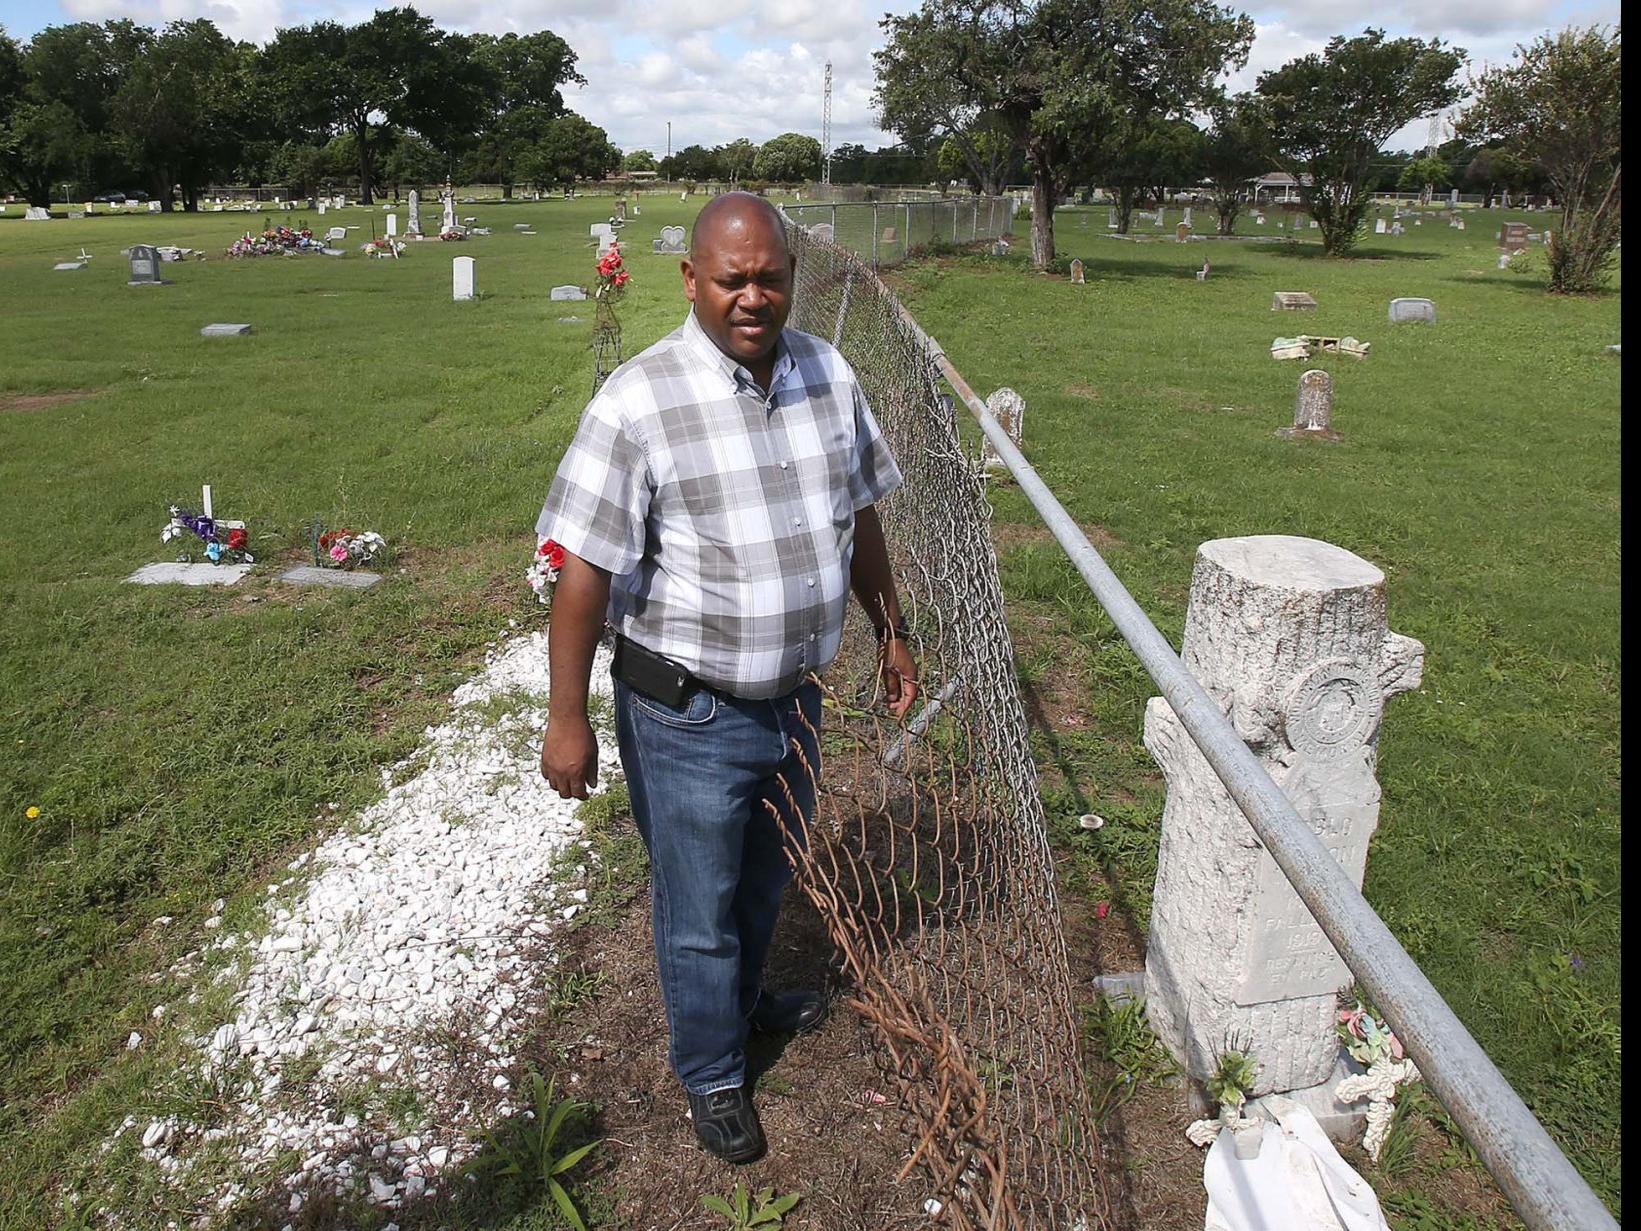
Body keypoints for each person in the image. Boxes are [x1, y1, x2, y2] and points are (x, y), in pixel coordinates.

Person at [535, 193, 919, 1164]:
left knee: (763, 881)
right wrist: (566, 717)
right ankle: (711, 1069)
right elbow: (585, 568)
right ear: (692, 281)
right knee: (698, 904)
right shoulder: (639, 399)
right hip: (688, 714)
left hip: (793, 701)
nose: (753, 296)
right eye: (732, 279)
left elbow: (860, 513)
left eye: (770, 277)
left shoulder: (828, 376)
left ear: (794, 276)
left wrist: (892, 629)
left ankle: (741, 1010)